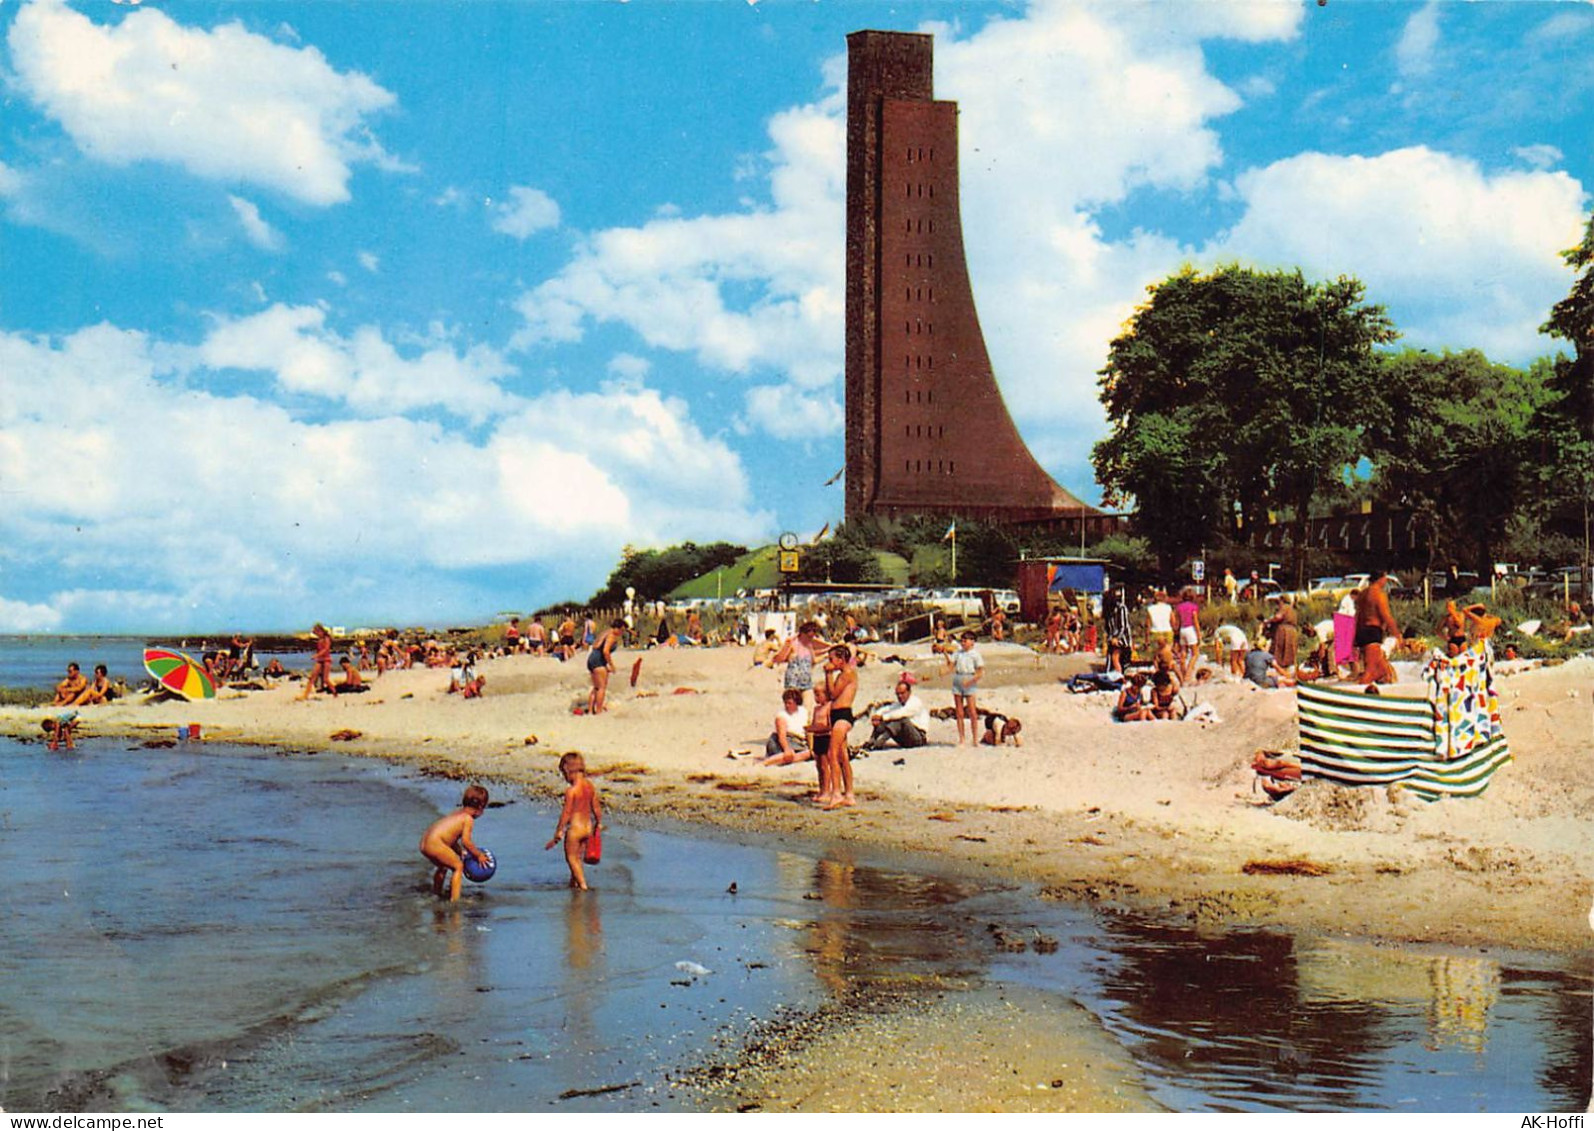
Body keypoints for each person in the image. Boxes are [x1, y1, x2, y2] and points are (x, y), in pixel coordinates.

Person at [419, 784, 491, 902]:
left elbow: (450, 838)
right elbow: (466, 842)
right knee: (458, 866)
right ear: (480, 807)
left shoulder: (456, 814)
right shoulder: (468, 819)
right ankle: (455, 901)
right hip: (436, 844)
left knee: (443, 866)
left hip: (425, 843)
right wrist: (479, 855)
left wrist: (459, 851)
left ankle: (437, 894)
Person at [545, 752, 602, 890]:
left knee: (571, 858)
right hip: (587, 827)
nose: (565, 778)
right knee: (578, 859)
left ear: (567, 770)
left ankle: (583, 886)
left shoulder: (571, 791)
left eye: (564, 775)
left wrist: (559, 831)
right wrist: (598, 823)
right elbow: (596, 808)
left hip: (575, 830)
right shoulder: (589, 786)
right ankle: (573, 883)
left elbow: (567, 813)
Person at [819, 644, 859, 808]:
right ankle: (849, 794)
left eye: (832, 659)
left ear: (841, 660)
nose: (830, 662)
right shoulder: (844, 674)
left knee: (832, 753)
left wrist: (828, 674)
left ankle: (836, 793)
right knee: (842, 755)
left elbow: (833, 694)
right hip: (838, 715)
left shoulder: (847, 674)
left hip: (843, 715)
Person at [1354, 572, 1401, 685]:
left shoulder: (1363, 594)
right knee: (1371, 672)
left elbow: (1358, 616)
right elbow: (1386, 615)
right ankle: (1357, 696)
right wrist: (1397, 634)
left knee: (1384, 670)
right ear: (1381, 578)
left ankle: (1389, 693)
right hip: (1372, 632)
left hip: (1362, 632)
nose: (1386, 581)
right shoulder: (1378, 594)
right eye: (1385, 578)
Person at [863, 674, 930, 750]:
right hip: (904, 739)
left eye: (902, 693)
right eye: (898, 694)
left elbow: (901, 713)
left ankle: (879, 742)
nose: (900, 696)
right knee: (883, 720)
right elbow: (888, 708)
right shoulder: (899, 704)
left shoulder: (916, 702)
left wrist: (882, 717)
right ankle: (872, 741)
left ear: (909, 692)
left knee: (900, 720)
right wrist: (877, 715)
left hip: (918, 738)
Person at [773, 621, 830, 704]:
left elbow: (814, 661)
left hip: (806, 682)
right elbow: (780, 658)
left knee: (807, 706)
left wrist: (826, 655)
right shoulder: (792, 644)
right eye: (809, 636)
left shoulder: (809, 646)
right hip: (793, 681)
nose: (811, 638)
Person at [945, 631, 984, 746]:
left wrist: (971, 681)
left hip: (969, 677)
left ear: (972, 642)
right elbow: (951, 665)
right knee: (959, 712)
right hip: (958, 678)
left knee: (972, 711)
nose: (962, 643)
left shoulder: (975, 654)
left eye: (965, 640)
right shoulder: (958, 653)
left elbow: (980, 672)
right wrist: (944, 654)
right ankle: (961, 738)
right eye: (961, 640)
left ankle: (975, 738)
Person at [760, 688, 811, 765]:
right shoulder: (781, 716)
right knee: (790, 754)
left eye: (789, 703)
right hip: (782, 741)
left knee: (809, 753)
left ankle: (777, 760)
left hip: (798, 741)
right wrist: (787, 749)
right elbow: (782, 737)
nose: (787, 705)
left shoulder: (803, 712)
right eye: (785, 703)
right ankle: (767, 762)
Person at [587, 620, 623, 714]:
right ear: (617, 628)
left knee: (596, 687)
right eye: (621, 630)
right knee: (602, 687)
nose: (621, 633)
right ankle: (598, 711)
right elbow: (606, 651)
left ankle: (591, 711)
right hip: (599, 659)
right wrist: (611, 665)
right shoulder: (611, 636)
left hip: (592, 658)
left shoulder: (605, 632)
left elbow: (595, 646)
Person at [1173, 588, 1202, 682]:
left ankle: (1183, 672)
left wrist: (1176, 634)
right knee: (1195, 654)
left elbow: (1177, 621)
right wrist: (1199, 635)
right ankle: (1188, 674)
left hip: (1182, 629)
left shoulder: (1179, 607)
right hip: (1190, 629)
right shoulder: (1193, 607)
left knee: (1183, 653)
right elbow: (1195, 621)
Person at [298, 623, 334, 700]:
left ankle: (335, 693)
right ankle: (305, 695)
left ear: (320, 631)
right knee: (312, 678)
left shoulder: (326, 638)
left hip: (326, 660)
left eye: (316, 632)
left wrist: (317, 655)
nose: (315, 634)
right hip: (320, 660)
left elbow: (326, 649)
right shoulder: (319, 639)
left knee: (325, 679)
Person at [1264, 594, 1300, 669]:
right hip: (1292, 631)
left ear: (1282, 601)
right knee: (1290, 649)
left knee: (1280, 648)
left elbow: (1278, 617)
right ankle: (1289, 667)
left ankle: (1279, 666)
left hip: (1284, 630)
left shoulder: (1285, 607)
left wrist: (1269, 621)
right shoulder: (1292, 609)